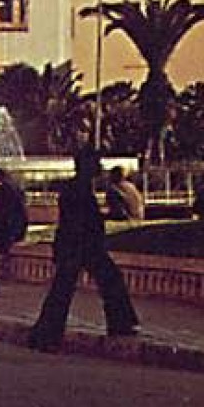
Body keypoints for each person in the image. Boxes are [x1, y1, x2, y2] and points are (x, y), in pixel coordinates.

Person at [26, 149, 139, 351]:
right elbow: (79, 222)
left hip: (79, 246)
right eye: (95, 163)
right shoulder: (77, 190)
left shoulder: (79, 188)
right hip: (81, 246)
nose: (99, 167)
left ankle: (46, 333)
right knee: (99, 283)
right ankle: (119, 324)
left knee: (67, 289)